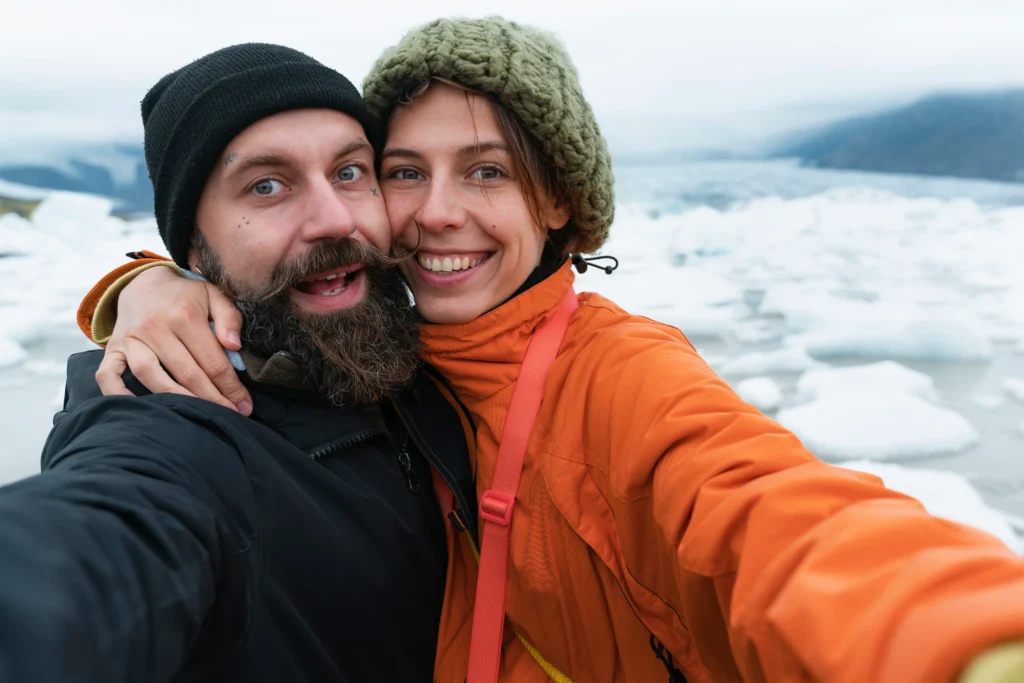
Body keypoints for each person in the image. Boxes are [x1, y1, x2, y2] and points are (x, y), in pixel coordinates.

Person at [80, 18, 1024, 683]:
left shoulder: (618, 375)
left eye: (487, 170)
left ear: (557, 200)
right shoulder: (375, 351)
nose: (440, 210)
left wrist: (969, 641)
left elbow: (764, 518)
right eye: (406, 171)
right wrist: (146, 285)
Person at [0, 43, 477, 682]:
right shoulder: (180, 435)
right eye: (266, 185)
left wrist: (137, 280)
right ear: (193, 248)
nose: (335, 219)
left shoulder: (424, 357)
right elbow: (96, 549)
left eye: (349, 171)